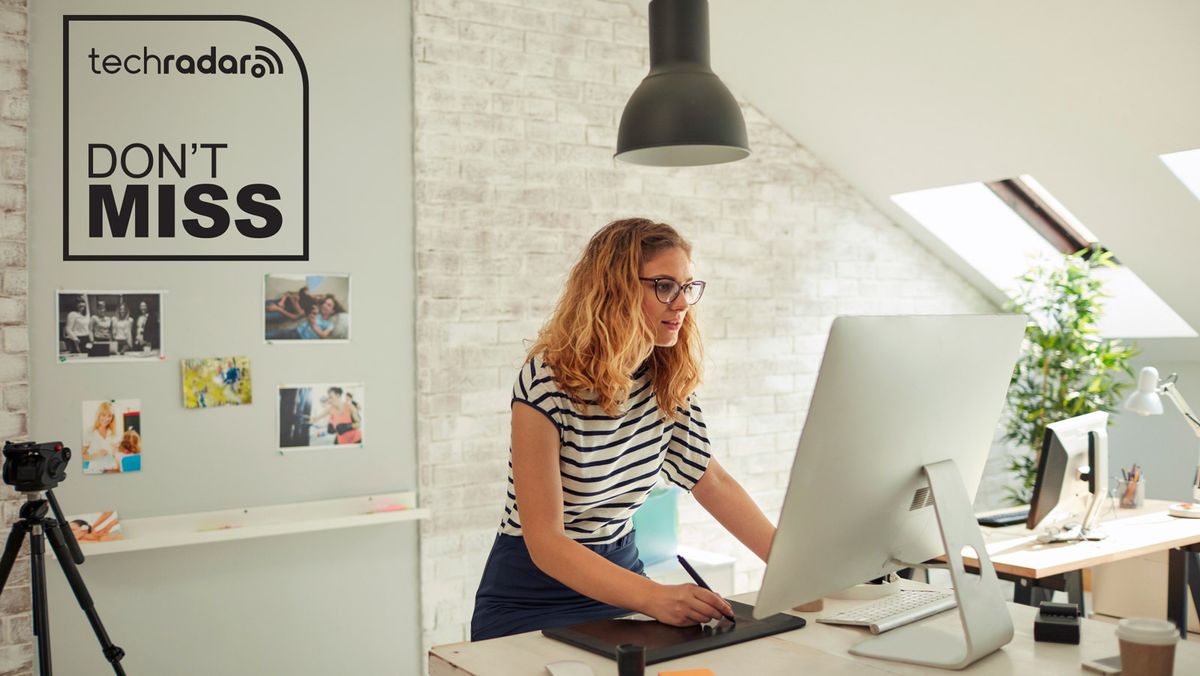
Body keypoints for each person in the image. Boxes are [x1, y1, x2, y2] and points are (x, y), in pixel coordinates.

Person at [470, 218, 777, 641]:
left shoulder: (665, 380)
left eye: (687, 287)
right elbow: (545, 541)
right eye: (665, 286)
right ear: (615, 289)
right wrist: (654, 597)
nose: (682, 303)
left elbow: (714, 483)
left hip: (620, 581)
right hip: (531, 591)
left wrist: (791, 568)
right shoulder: (546, 382)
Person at [81, 401, 119, 473]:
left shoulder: (114, 433)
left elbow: (116, 455)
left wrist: (116, 451)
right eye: (103, 415)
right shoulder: (89, 432)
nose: (107, 418)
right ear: (98, 415)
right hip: (95, 471)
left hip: (111, 469)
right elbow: (81, 457)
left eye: (109, 416)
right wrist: (96, 455)